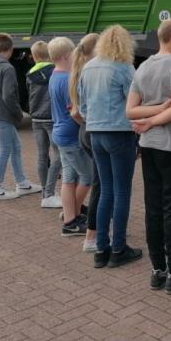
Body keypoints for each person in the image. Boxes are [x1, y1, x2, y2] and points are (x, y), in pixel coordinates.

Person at [127, 18, 171, 295]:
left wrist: (149, 117)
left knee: (153, 206)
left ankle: (157, 269)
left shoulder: (143, 67)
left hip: (149, 147)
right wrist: (159, 115)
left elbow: (131, 111)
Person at [78, 25, 141, 269]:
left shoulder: (89, 67)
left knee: (105, 189)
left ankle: (101, 248)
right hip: (120, 132)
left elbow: (82, 105)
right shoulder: (125, 69)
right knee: (122, 191)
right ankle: (118, 247)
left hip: (95, 132)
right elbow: (134, 104)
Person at [0, 33, 42, 200]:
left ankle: (22, 183)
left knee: (15, 146)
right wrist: (18, 114)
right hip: (4, 115)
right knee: (6, 149)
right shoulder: (7, 68)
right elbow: (9, 96)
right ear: (10, 50)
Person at [48, 36, 93, 237]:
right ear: (68, 56)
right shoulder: (68, 80)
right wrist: (86, 126)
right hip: (71, 135)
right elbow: (74, 112)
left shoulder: (54, 76)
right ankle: (71, 217)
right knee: (88, 175)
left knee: (68, 178)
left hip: (60, 133)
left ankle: (70, 216)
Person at [68, 33, 101, 254]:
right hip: (94, 131)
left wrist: (84, 123)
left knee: (97, 181)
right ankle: (93, 234)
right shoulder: (93, 72)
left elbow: (75, 113)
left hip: (83, 131)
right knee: (101, 184)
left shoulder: (78, 72)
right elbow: (77, 112)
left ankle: (76, 213)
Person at [26, 41, 62, 209]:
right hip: (52, 118)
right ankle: (49, 192)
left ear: (34, 57)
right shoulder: (55, 72)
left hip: (36, 119)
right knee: (58, 155)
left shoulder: (29, 75)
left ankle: (44, 193)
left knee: (42, 156)